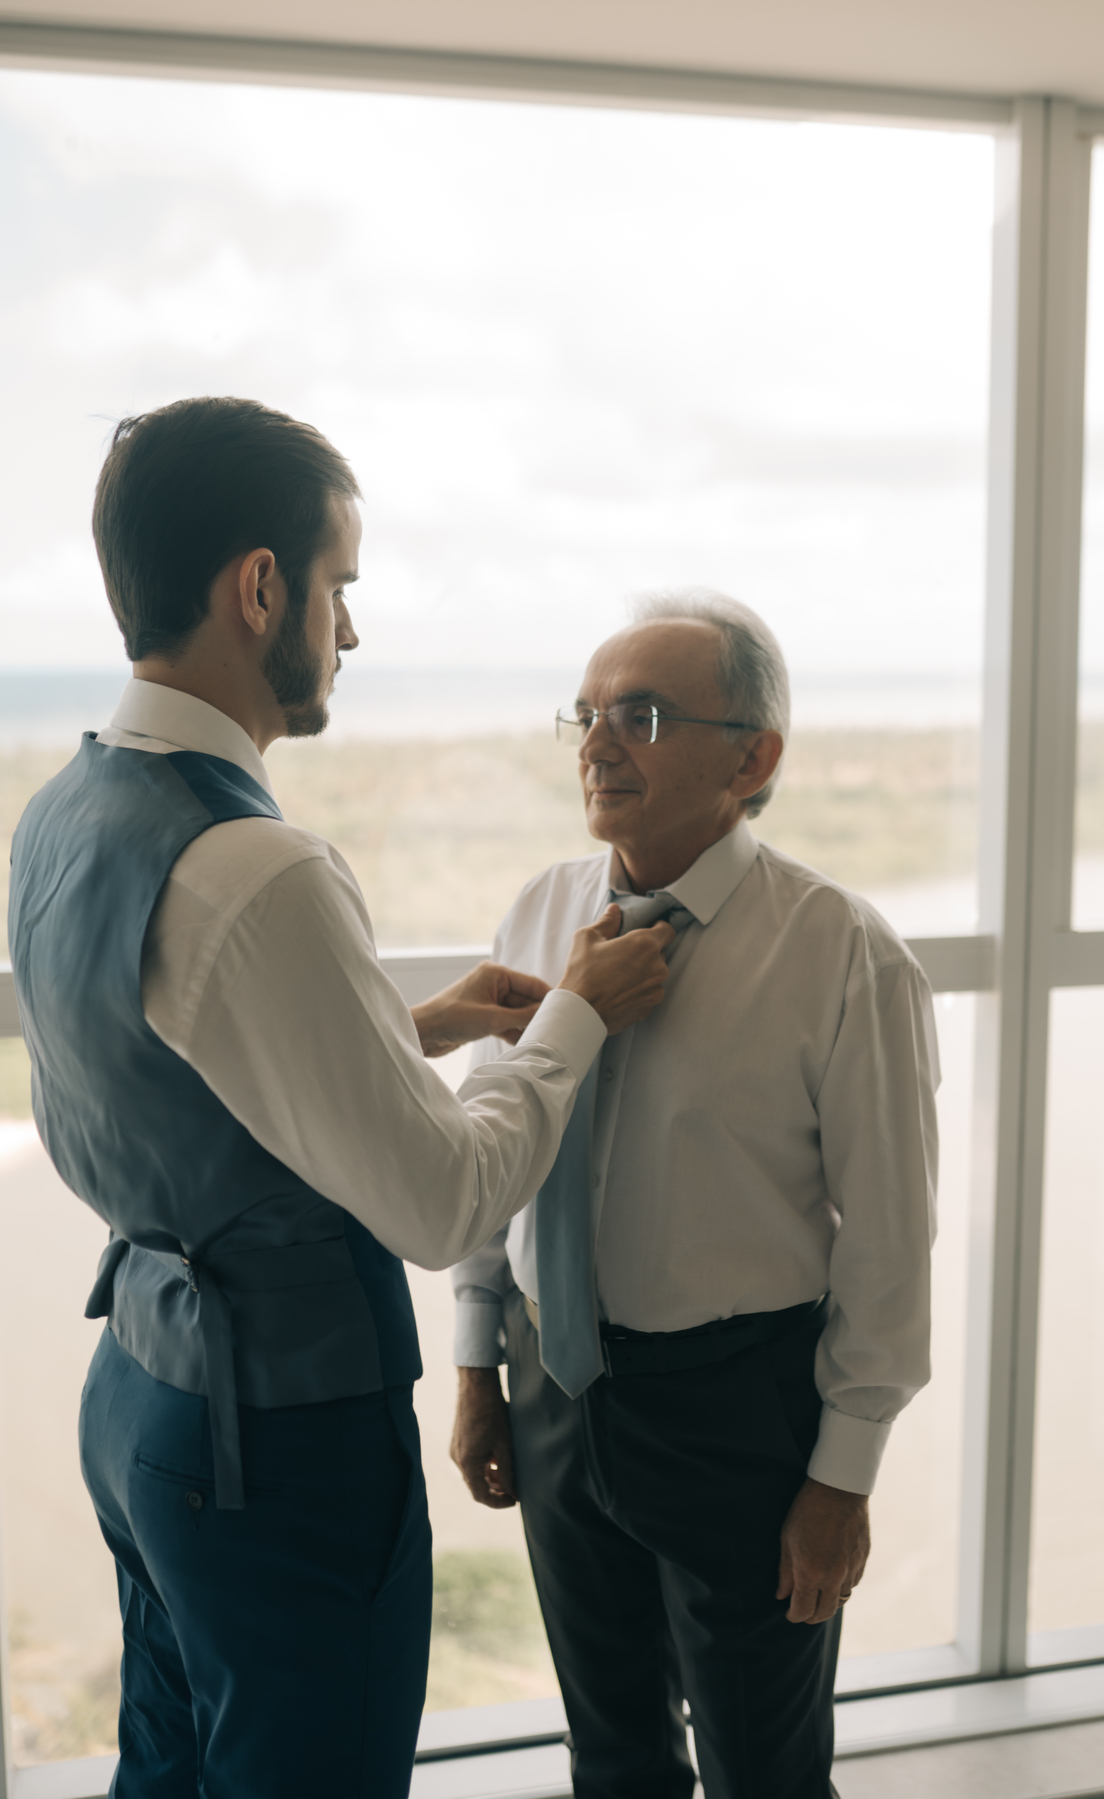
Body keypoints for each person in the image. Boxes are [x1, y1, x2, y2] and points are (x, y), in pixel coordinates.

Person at [7, 397, 675, 1799]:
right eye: (340, 587)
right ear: (262, 588)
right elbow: (441, 1201)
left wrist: (410, 1028)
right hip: (279, 1434)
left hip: (139, 1393)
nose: (351, 633)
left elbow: (179, 1068)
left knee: (171, 1768)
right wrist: (573, 1019)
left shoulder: (64, 807)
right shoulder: (262, 866)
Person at [450, 591, 940, 1799]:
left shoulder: (842, 950)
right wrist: (476, 1364)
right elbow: (492, 1147)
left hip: (739, 1417)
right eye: (588, 712)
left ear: (753, 757)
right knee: (611, 1751)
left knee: (763, 1768)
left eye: (644, 714)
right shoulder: (541, 907)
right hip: (553, 1383)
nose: (597, 742)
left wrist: (842, 1476)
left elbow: (890, 1244)